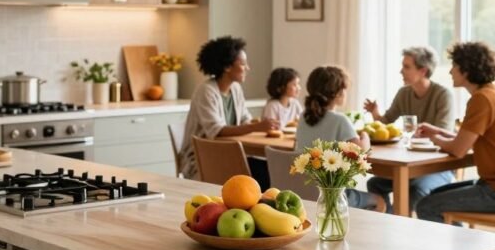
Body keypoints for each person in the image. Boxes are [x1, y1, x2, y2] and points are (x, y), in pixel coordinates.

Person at [416, 41, 495, 223]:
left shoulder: (481, 100)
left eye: (454, 66)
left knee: (426, 205)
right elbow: (465, 139)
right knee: (435, 195)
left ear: (466, 70)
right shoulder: (494, 93)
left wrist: (434, 137)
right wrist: (438, 131)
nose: (450, 71)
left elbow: (458, 150)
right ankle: (461, 247)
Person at [363, 45, 455, 213]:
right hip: (410, 164)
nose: (401, 71)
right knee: (374, 184)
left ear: (423, 71)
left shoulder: (443, 95)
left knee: (416, 190)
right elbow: (386, 121)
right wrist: (375, 112)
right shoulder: (404, 93)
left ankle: (407, 231)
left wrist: (424, 134)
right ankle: (390, 223)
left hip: (436, 167)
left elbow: (444, 133)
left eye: (406, 67)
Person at [180, 36, 277, 181]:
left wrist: (261, 123)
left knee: (269, 170)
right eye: (243, 64)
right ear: (227, 67)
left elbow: (245, 119)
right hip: (203, 159)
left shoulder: (235, 88)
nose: (248, 68)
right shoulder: (206, 91)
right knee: (262, 176)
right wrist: (257, 127)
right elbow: (217, 131)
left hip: (228, 154)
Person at [296, 66, 386, 212]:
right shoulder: (340, 120)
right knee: (379, 201)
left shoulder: (303, 117)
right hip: (331, 194)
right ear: (337, 93)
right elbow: (361, 153)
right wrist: (365, 136)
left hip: (302, 192)